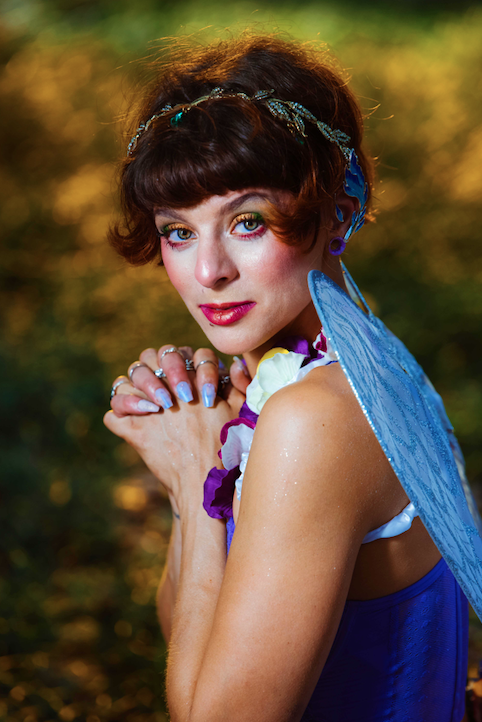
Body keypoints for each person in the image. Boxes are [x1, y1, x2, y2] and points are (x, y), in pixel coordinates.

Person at [104, 35, 482, 722]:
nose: (209, 271)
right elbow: (196, 631)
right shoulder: (340, 362)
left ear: (335, 213)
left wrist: (193, 481)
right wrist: (208, 453)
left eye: (247, 221)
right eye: (178, 230)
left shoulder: (314, 420)